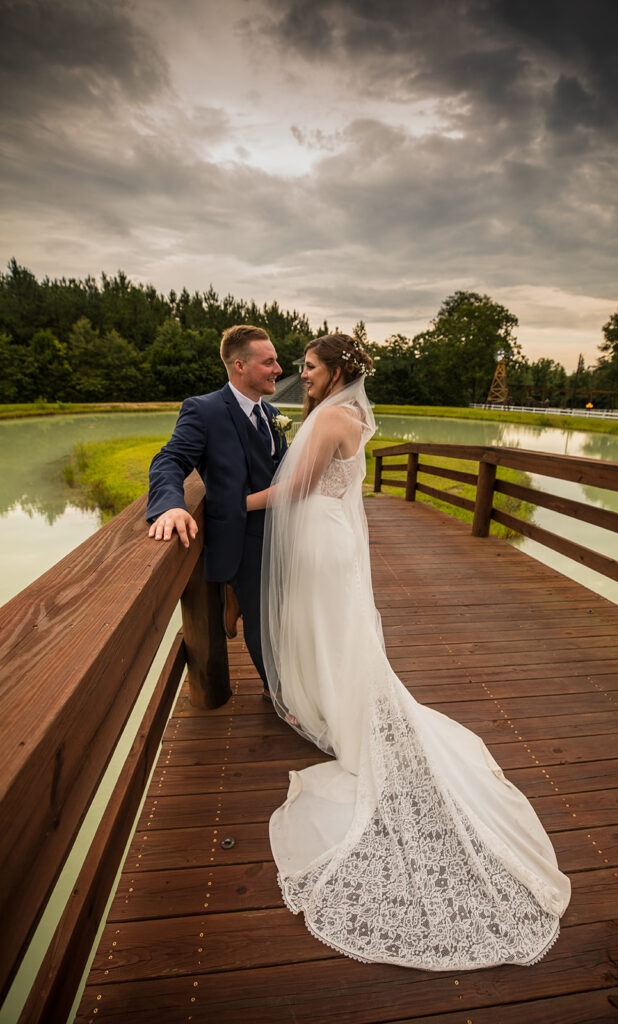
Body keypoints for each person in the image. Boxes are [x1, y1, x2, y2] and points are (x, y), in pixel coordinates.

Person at [246, 333, 571, 971]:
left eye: (308, 368)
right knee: (336, 633)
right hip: (334, 538)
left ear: (335, 370)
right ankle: (328, 703)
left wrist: (233, 504)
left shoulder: (332, 417)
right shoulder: (358, 415)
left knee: (325, 629)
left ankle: (331, 710)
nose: (301, 377)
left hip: (319, 537)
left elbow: (297, 489)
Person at [147, 325, 287, 691]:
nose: (279, 369)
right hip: (241, 540)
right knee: (264, 623)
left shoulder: (271, 413)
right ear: (239, 365)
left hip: (282, 534)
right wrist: (171, 506)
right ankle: (283, 697)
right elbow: (170, 459)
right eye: (268, 362)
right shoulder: (204, 410)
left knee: (288, 612)